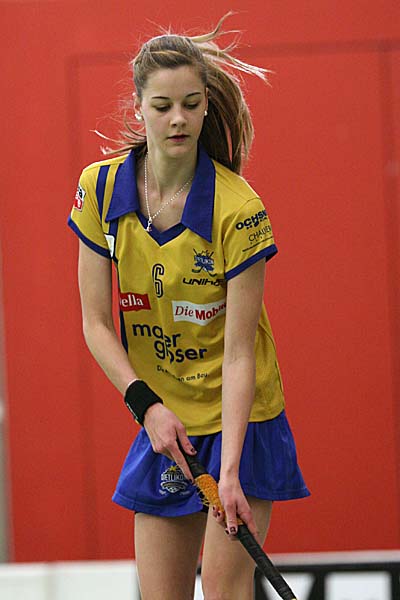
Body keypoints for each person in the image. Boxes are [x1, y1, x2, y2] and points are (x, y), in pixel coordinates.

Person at [68, 13, 309, 600]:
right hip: (164, 421)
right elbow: (96, 322)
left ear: (205, 108)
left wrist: (230, 472)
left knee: (225, 594)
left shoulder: (238, 210)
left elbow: (239, 353)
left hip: (239, 422)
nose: (177, 118)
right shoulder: (100, 190)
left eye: (191, 104)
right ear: (139, 108)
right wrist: (146, 405)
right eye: (162, 105)